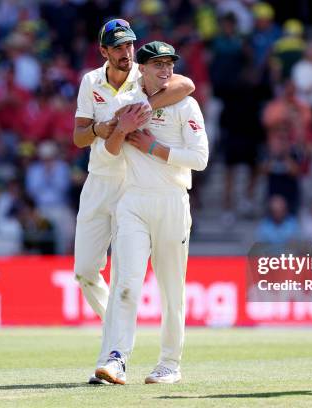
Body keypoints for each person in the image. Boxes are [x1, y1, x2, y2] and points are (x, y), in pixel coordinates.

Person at [73, 19, 195, 384]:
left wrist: (143, 105)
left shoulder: (142, 77)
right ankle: (118, 328)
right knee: (85, 270)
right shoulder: (91, 82)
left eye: (129, 45)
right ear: (104, 51)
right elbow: (79, 136)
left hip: (132, 183)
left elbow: (185, 85)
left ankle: (116, 347)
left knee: (129, 277)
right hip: (99, 180)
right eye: (118, 47)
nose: (126, 52)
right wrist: (102, 128)